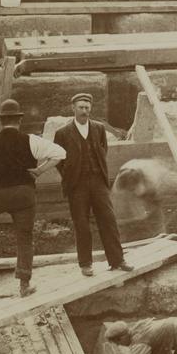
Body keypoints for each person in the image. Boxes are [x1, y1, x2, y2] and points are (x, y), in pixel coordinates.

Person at [0, 98, 65, 294]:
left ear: (1, 121)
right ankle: (24, 284)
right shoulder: (32, 140)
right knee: (25, 238)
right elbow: (60, 153)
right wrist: (39, 170)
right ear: (19, 120)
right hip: (25, 195)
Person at [53, 90, 126, 276]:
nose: (84, 111)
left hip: (98, 182)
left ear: (91, 108)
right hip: (77, 185)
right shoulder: (62, 133)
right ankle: (85, 264)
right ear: (73, 109)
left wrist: (96, 171)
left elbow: (103, 150)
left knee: (108, 219)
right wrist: (71, 175)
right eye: (81, 108)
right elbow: (58, 160)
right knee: (81, 223)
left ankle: (117, 260)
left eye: (87, 107)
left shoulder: (99, 128)